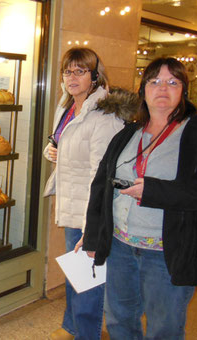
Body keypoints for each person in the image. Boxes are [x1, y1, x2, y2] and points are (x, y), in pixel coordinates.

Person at [83, 57, 197, 340]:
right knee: (120, 320)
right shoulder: (128, 133)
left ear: (184, 90)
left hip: (167, 252)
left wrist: (154, 192)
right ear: (143, 88)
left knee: (164, 328)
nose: (162, 88)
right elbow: (101, 187)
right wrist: (95, 237)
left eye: (173, 82)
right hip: (120, 247)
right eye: (154, 81)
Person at [43, 47, 131, 340]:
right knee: (77, 273)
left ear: (95, 76)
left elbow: (102, 174)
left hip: (89, 210)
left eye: (80, 71)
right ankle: (72, 326)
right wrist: (54, 151)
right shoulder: (68, 107)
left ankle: (85, 334)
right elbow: (64, 142)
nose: (72, 77)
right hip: (73, 202)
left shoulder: (103, 117)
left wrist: (91, 226)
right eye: (68, 71)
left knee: (88, 279)